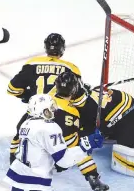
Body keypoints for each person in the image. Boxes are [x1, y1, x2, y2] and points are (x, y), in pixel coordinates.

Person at [3, 94, 104, 191]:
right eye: (50, 108)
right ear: (43, 111)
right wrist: (86, 145)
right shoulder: (49, 128)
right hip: (30, 187)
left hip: (36, 184)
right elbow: (63, 161)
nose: (54, 110)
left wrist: (83, 147)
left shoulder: (26, 124)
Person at [7, 33, 88, 164]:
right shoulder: (71, 68)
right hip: (63, 112)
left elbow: (12, 89)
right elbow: (80, 100)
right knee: (78, 131)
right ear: (62, 48)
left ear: (46, 47)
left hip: (36, 112)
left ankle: (14, 159)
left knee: (20, 131)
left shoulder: (32, 63)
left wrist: (28, 96)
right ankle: (70, 161)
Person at [53, 72, 110, 191]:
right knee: (79, 149)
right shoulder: (73, 111)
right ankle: (93, 179)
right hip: (61, 152)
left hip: (37, 153)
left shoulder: (47, 100)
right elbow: (76, 149)